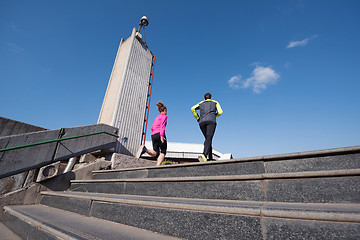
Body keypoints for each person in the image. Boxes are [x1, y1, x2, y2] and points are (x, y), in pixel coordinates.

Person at [191, 93, 223, 161]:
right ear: (211, 98)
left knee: (208, 139)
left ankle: (210, 158)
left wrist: (197, 118)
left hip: (202, 122)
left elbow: (192, 108)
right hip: (211, 121)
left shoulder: (200, 103)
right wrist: (214, 115)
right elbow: (220, 112)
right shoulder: (215, 102)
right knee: (209, 138)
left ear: (204, 99)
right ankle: (204, 155)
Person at [136, 101, 168, 166]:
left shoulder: (156, 117)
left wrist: (155, 133)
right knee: (163, 151)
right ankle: (158, 166)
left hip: (153, 135)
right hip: (160, 134)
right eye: (166, 111)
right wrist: (161, 136)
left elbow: (152, 127)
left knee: (156, 153)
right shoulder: (164, 116)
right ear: (164, 110)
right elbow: (162, 126)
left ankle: (145, 150)